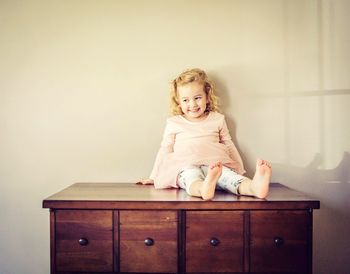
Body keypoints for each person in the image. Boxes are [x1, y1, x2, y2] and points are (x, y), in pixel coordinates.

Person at [138, 68, 272, 200]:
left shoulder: (217, 119)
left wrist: (239, 169)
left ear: (207, 97)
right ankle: (203, 188)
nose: (192, 104)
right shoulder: (174, 122)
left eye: (197, 98)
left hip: (215, 165)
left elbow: (228, 144)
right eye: (185, 100)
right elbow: (165, 149)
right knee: (191, 178)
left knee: (231, 178)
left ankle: (254, 188)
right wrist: (153, 176)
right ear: (178, 102)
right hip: (185, 165)